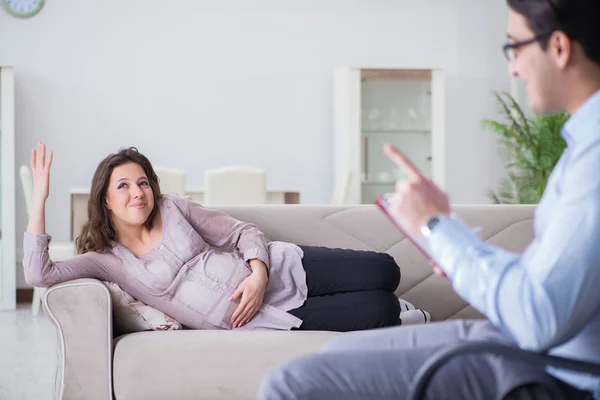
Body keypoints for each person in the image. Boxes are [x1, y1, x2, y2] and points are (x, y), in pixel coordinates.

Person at [257, 0, 600, 398]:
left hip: (560, 368)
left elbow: (538, 315)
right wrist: (452, 243)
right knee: (330, 357)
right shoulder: (583, 147)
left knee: (296, 383)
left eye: (515, 47)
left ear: (558, 47)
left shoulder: (593, 162)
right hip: (541, 344)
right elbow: (551, 286)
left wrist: (437, 225)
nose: (513, 67)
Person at [24, 145, 403, 332]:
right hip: (265, 317)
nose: (137, 192)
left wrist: (257, 275)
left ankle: (404, 308)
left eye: (142, 182)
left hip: (282, 270)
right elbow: (39, 274)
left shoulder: (174, 207)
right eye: (123, 186)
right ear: (105, 200)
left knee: (386, 270)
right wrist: (39, 200)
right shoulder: (108, 260)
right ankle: (410, 315)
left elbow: (243, 232)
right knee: (383, 310)